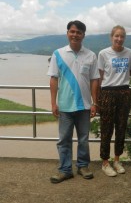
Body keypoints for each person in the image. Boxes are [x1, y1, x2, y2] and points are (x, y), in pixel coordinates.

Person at [47, 20, 100, 183]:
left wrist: (94, 103)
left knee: (83, 139)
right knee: (64, 140)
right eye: (72, 31)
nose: (75, 35)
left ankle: (83, 166)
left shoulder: (90, 55)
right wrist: (53, 103)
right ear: (67, 33)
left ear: (83, 35)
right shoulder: (58, 54)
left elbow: (94, 81)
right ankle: (65, 169)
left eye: (79, 32)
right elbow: (54, 79)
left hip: (84, 106)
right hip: (65, 106)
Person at [97, 25, 131, 177]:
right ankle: (105, 162)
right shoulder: (103, 54)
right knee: (106, 129)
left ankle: (117, 160)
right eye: (116, 36)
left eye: (122, 36)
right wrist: (98, 99)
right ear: (111, 37)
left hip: (124, 91)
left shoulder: (129, 53)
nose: (119, 39)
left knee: (121, 128)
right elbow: (99, 77)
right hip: (107, 92)